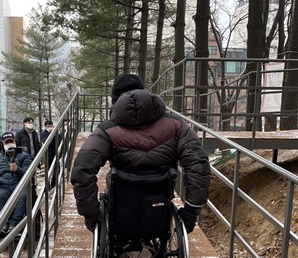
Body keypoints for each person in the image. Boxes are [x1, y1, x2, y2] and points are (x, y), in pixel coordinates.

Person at [71, 86, 211, 234]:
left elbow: (83, 169)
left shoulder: (106, 130)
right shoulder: (177, 126)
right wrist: (191, 209)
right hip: (159, 201)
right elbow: (198, 165)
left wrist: (91, 214)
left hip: (122, 204)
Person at [0, 132, 32, 234]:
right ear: (3, 143)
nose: (9, 144)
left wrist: (17, 169)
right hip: (4, 186)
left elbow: (29, 174)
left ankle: (15, 223)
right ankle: (3, 223)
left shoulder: (24, 156)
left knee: (23, 196)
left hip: (20, 186)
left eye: (11, 141)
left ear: (15, 141)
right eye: (7, 142)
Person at [41, 120, 59, 187]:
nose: (50, 128)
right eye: (48, 126)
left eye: (51, 126)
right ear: (45, 127)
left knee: (57, 170)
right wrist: (49, 133)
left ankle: (53, 184)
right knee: (48, 171)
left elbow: (59, 140)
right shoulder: (43, 134)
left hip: (55, 154)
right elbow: (45, 141)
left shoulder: (55, 133)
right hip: (48, 155)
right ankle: (47, 185)